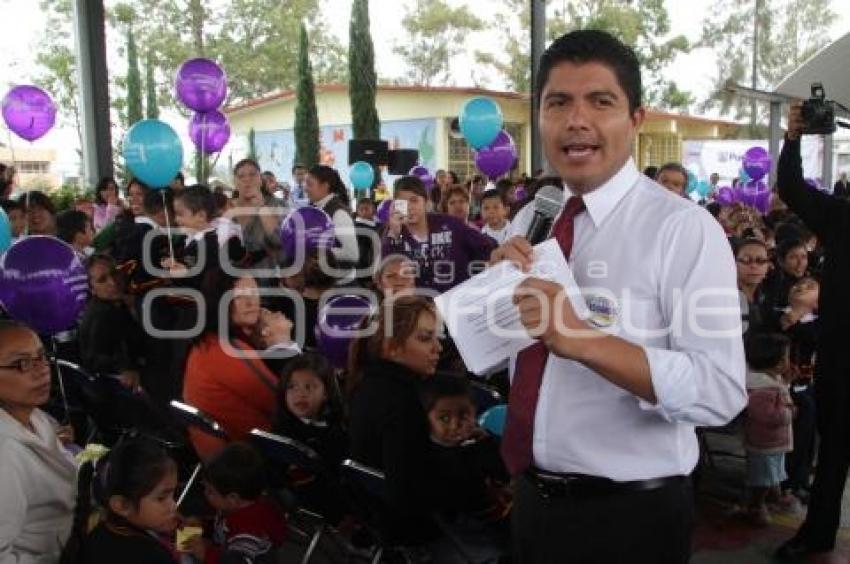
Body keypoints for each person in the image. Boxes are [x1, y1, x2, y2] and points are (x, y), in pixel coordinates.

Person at [492, 30, 746, 563]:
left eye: (600, 101)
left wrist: (585, 340)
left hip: (629, 520)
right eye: (558, 102)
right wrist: (492, 298)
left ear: (635, 119)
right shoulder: (533, 217)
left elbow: (719, 390)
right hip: (532, 502)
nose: (576, 120)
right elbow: (512, 356)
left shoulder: (683, 229)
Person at [347, 296, 443, 547]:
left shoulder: (365, 383)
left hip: (378, 517)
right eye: (425, 338)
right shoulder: (404, 401)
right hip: (412, 529)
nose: (438, 348)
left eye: (436, 337)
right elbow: (410, 490)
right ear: (392, 348)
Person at [183, 271, 298, 460]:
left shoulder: (209, 342)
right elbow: (289, 406)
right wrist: (282, 342)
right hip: (247, 459)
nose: (251, 302)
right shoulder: (227, 351)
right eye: (239, 296)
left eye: (254, 292)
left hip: (227, 453)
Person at [0, 320, 78, 563]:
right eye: (21, 363)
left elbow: (68, 460)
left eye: (42, 357)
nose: (42, 369)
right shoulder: (5, 458)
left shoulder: (34, 414)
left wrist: (64, 447)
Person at [384, 176, 496, 294]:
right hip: (418, 307)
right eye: (403, 202)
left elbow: (488, 247)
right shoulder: (393, 233)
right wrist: (394, 233)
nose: (409, 207)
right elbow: (388, 273)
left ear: (426, 202)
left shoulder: (449, 224)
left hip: (457, 303)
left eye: (414, 200)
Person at [181, 443, 286, 564]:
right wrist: (203, 526)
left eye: (210, 491)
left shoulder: (249, 528)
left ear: (232, 498)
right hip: (224, 552)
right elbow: (223, 529)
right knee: (181, 548)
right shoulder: (233, 507)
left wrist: (205, 553)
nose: (205, 493)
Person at [274, 353, 348, 522]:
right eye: (292, 387)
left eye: (309, 387)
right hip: (308, 500)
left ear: (326, 393)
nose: (300, 394)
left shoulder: (336, 432)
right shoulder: (283, 429)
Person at [82, 438, 179, 564]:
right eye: (161, 498)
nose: (174, 506)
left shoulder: (100, 531)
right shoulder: (153, 556)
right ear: (122, 505)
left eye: (173, 495)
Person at [743, 333, 796, 526]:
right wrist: (789, 413)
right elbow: (768, 416)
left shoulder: (771, 379)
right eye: (786, 357)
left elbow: (780, 396)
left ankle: (776, 497)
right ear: (776, 362)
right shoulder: (760, 388)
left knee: (773, 472)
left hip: (774, 441)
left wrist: (786, 383)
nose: (788, 361)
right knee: (763, 478)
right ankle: (755, 506)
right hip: (764, 442)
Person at [232, 159, 287, 267]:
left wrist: (261, 207)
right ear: (235, 182)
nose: (247, 179)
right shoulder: (227, 207)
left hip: (268, 275)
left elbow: (279, 239)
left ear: (260, 180)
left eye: (252, 174)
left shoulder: (277, 205)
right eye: (241, 176)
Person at [304, 165, 359, 267]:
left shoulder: (338, 213)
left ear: (325, 186)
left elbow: (352, 254)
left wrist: (316, 251)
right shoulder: (314, 208)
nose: (305, 188)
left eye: (310, 184)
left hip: (340, 280)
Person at [735, 238, 772, 338]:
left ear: (768, 266)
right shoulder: (726, 299)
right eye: (746, 260)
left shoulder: (768, 295)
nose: (754, 266)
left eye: (760, 261)